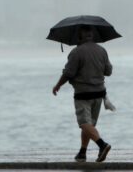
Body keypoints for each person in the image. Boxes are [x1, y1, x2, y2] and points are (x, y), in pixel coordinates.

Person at [52, 25, 113, 162]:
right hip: (99, 94)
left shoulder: (76, 52)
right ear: (92, 35)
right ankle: (82, 152)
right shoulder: (102, 50)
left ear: (79, 36)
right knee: (89, 124)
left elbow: (68, 73)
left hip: (83, 95)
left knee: (84, 124)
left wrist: (58, 85)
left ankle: (102, 145)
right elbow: (108, 71)